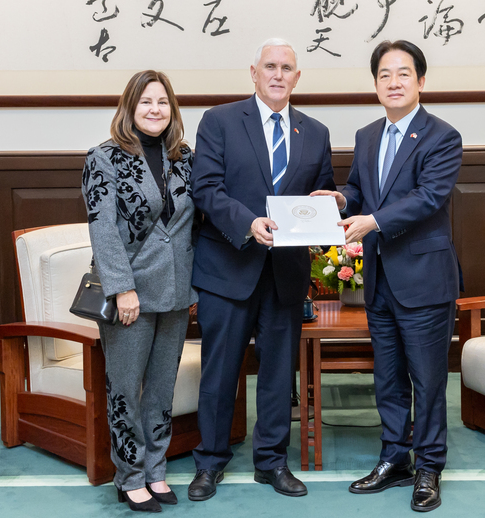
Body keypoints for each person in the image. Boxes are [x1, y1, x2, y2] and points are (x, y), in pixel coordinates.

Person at [312, 40, 463, 512]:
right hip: (378, 279)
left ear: (421, 81)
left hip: (424, 279)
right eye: (384, 75)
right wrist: (339, 201)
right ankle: (394, 459)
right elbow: (360, 190)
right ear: (375, 84)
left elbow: (427, 198)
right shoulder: (368, 134)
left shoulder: (442, 136)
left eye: (403, 74)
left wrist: (372, 222)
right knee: (389, 379)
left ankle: (429, 468)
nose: (393, 82)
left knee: (429, 380)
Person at [188, 38, 336, 501]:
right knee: (220, 372)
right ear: (253, 72)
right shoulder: (220, 121)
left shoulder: (315, 132)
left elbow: (322, 191)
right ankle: (209, 463)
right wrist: (247, 223)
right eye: (269, 66)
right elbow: (205, 188)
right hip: (227, 267)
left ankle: (271, 463)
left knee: (277, 375)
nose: (277, 74)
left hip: (285, 273)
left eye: (286, 67)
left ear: (297, 77)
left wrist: (327, 205)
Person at [81, 70, 198, 513]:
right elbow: (103, 229)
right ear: (129, 107)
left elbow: (193, 224)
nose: (155, 110)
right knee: (126, 388)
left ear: (173, 110)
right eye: (146, 101)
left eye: (163, 102)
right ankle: (129, 475)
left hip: (176, 291)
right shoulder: (103, 158)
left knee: (161, 389)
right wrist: (121, 288)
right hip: (130, 295)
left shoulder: (185, 157)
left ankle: (156, 469)